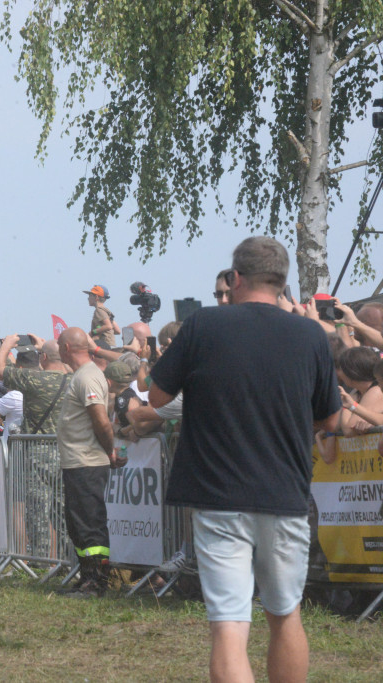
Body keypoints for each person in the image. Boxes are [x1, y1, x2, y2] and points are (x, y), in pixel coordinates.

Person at [148, 236, 341, 683]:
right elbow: (330, 418)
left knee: (230, 628)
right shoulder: (310, 334)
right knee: (285, 615)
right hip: (284, 493)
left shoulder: (203, 325)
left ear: (235, 279)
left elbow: (158, 396)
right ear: (281, 283)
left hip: (220, 496)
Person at [56, 328, 126, 597]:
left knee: (89, 523)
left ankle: (97, 582)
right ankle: (87, 576)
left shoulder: (87, 376)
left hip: (87, 462)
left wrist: (109, 451)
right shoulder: (82, 375)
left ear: (66, 348)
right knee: (77, 523)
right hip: (77, 462)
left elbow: (101, 421)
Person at [0, 335, 67, 436]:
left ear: (44, 357)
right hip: (62, 448)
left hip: (36, 448)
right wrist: (43, 349)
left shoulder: (33, 379)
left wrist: (6, 346)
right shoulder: (72, 379)